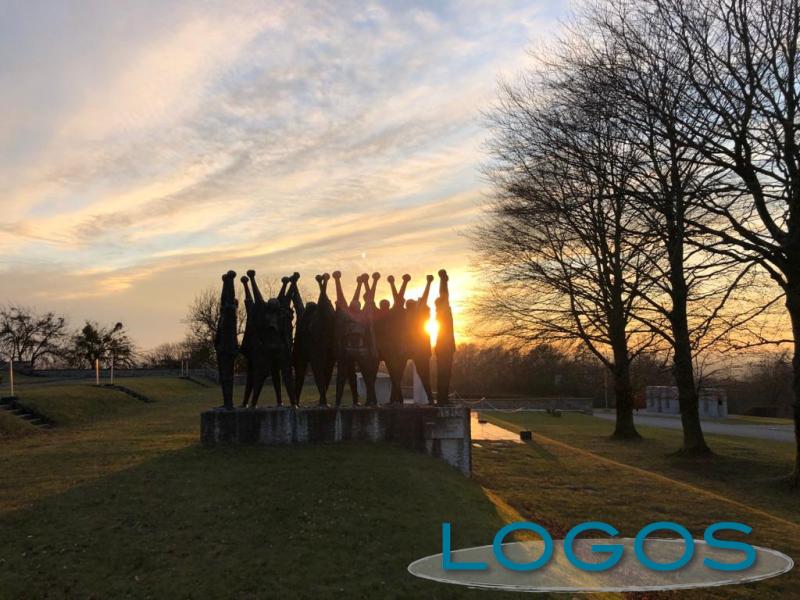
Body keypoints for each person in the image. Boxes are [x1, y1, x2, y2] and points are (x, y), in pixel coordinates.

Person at [214, 271, 238, 410]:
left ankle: (229, 403)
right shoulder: (223, 316)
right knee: (223, 377)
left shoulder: (230, 314)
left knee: (227, 377)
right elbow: (223, 301)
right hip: (222, 349)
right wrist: (224, 282)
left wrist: (229, 281)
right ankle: (227, 402)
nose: (223, 306)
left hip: (228, 350)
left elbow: (228, 299)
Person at [435, 269, 456, 405]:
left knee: (445, 374)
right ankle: (442, 398)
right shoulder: (443, 313)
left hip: (444, 346)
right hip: (445, 346)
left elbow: (443, 295)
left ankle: (443, 398)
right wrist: (443, 280)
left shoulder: (440, 314)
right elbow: (444, 294)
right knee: (444, 373)